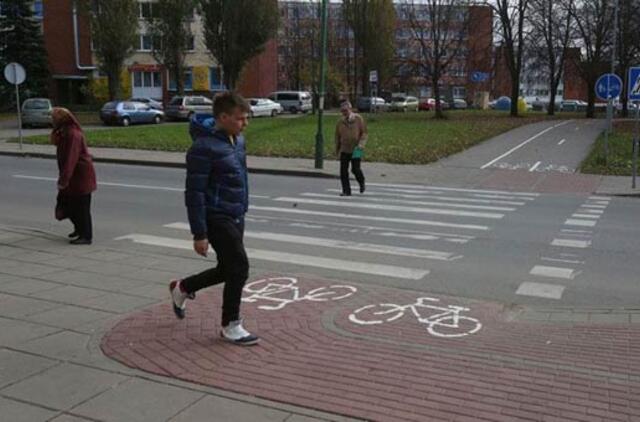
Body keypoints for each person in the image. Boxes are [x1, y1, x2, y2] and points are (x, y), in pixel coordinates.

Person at [169, 92, 258, 346]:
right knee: (239, 268)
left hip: (235, 213)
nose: (245, 124)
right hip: (215, 216)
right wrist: (199, 234)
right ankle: (231, 325)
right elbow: (194, 193)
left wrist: (243, 208)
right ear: (223, 117)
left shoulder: (237, 140)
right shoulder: (203, 148)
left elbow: (241, 177)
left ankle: (183, 288)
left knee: (227, 268)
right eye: (241, 119)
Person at [51, 107, 96, 245]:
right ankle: (79, 229)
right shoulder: (65, 131)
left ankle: (86, 236)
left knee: (81, 207)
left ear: (62, 119)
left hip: (80, 177)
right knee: (72, 205)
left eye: (54, 118)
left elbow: (71, 158)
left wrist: (64, 179)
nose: (51, 120)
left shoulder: (73, 134)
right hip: (74, 177)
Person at [335, 101, 367, 196]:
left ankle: (361, 182)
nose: (344, 113)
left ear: (350, 109)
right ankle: (346, 190)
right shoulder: (340, 122)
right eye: (342, 111)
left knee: (355, 169)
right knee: (343, 171)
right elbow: (337, 136)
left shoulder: (358, 119)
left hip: (357, 148)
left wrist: (361, 145)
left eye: (345, 110)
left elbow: (364, 133)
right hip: (345, 148)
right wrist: (337, 149)